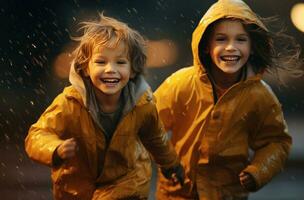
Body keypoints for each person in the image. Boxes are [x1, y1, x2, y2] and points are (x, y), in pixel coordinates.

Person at [25, 13, 184, 200]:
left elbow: (156, 139)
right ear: (85, 67)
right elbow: (37, 135)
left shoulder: (142, 105)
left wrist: (171, 165)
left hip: (126, 181)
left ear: (133, 70)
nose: (110, 69)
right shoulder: (69, 104)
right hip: (77, 186)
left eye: (120, 62)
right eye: (101, 62)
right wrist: (55, 149)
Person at [154, 0, 303, 199]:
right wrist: (168, 161)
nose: (231, 47)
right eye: (221, 39)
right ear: (206, 46)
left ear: (251, 46)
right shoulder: (180, 84)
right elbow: (149, 125)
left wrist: (258, 171)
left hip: (228, 194)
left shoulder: (259, 95)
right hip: (177, 193)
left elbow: (276, 142)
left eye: (240, 40)